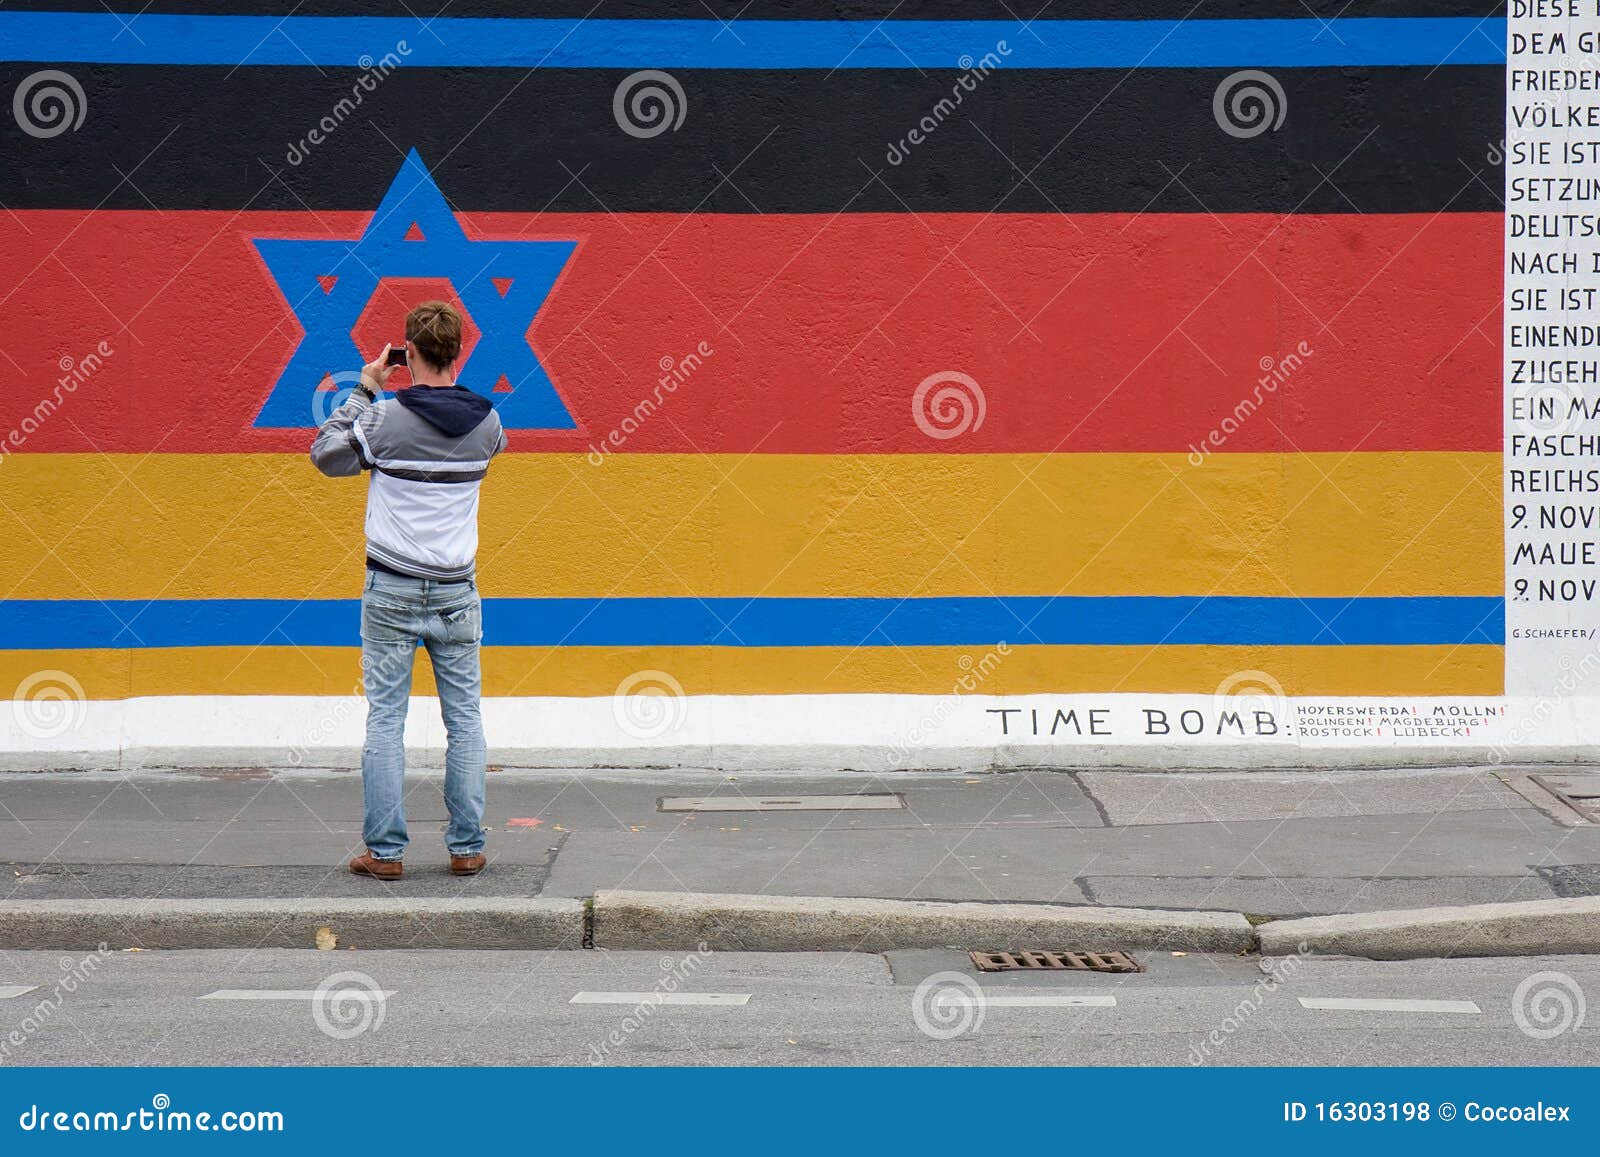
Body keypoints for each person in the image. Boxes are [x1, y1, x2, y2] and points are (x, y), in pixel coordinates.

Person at [310, 301, 506, 880]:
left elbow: (325, 455)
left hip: (391, 589)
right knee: (465, 719)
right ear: (459, 352)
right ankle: (467, 847)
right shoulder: (490, 424)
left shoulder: (385, 418)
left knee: (385, 723)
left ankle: (386, 853)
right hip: (457, 591)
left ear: (409, 353)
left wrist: (365, 390)